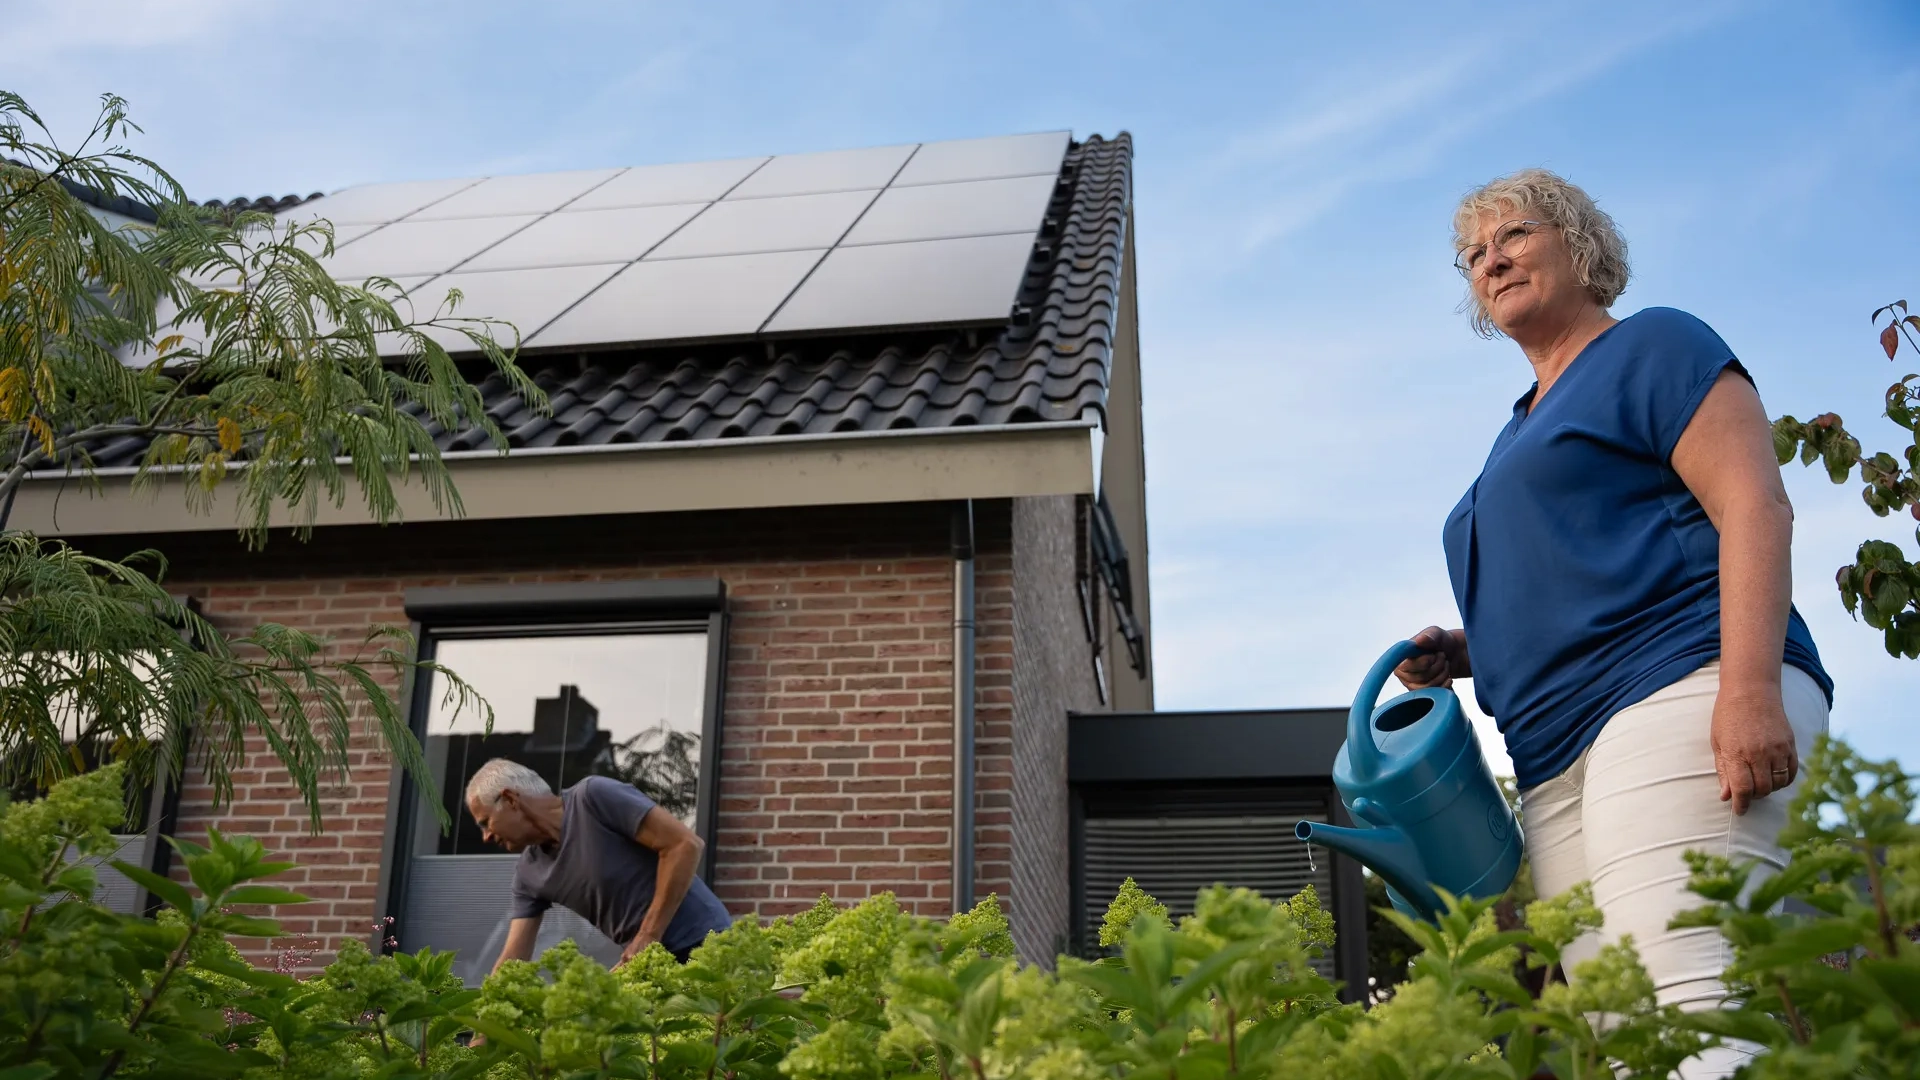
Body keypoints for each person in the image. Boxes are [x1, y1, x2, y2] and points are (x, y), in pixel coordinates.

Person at [1396, 169, 1833, 1078]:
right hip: (1555, 761)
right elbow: (1584, 575)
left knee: (1691, 1004)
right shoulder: (1516, 430)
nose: (1491, 260)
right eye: (1473, 254)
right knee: (1623, 1037)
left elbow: (1754, 507)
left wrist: (1750, 691)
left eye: (1511, 235)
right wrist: (1467, 655)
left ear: (1580, 246)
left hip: (1679, 688)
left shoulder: (1654, 347)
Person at [465, 758, 732, 975]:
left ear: (511, 799)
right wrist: (483, 1031)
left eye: (485, 822)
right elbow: (514, 959)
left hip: (707, 942)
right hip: (651, 967)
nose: (486, 836)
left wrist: (648, 936)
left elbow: (684, 845)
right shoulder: (528, 874)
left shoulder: (593, 797)